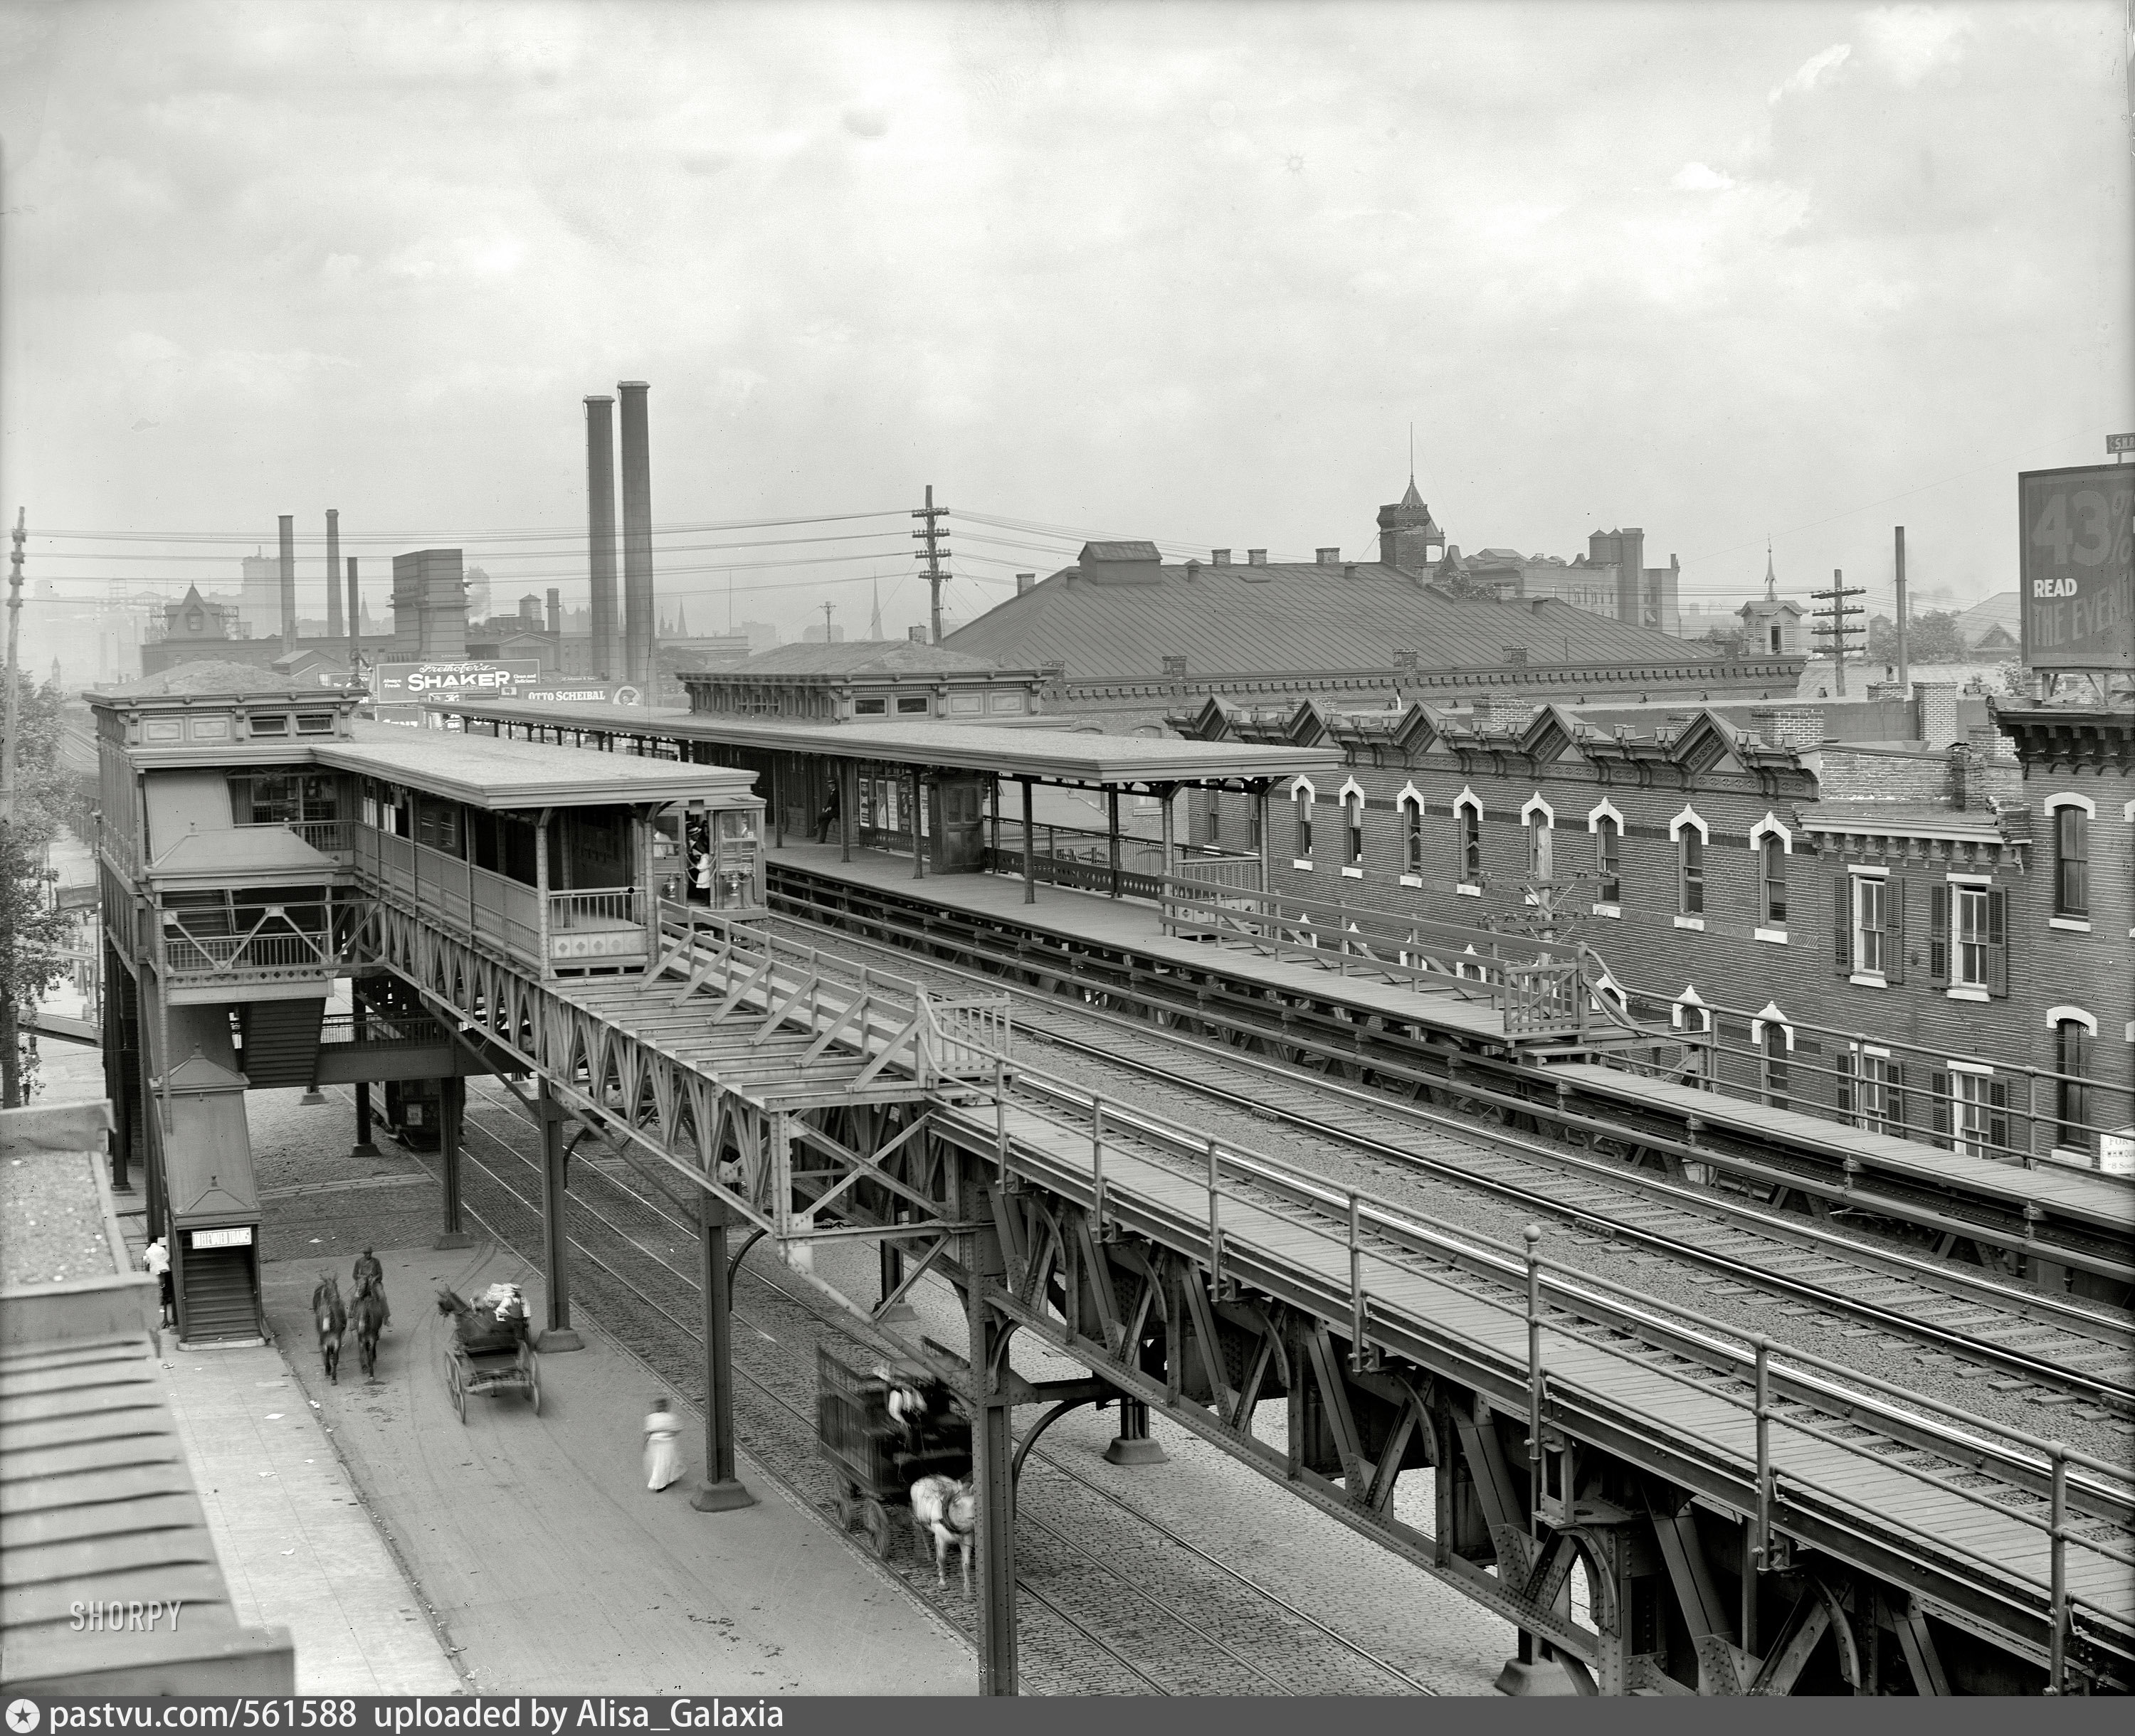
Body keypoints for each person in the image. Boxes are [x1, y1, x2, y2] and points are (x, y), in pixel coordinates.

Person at [644, 1394, 685, 1492]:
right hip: (665, 1442)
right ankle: (660, 1484)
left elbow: (648, 1432)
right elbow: (677, 1430)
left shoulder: (651, 1417)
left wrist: (645, 1443)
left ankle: (669, 1478)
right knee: (663, 1463)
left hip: (656, 1442)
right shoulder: (671, 1417)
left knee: (663, 1462)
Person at [352, 1247, 390, 1329]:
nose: (368, 1255)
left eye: (369, 1253)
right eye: (366, 1254)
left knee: (382, 1296)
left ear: (371, 1253)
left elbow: (380, 1274)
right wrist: (362, 1277)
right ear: (364, 1254)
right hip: (363, 1283)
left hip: (374, 1284)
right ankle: (352, 1319)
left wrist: (375, 1278)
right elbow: (354, 1275)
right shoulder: (359, 1262)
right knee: (355, 1297)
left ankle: (386, 1317)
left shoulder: (376, 1262)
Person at [144, 1235, 172, 1328]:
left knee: (157, 1284)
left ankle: (159, 1299)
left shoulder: (148, 1251)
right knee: (163, 1284)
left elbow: (147, 1262)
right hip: (163, 1268)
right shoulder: (161, 1249)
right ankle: (165, 1298)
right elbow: (167, 1258)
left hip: (154, 1269)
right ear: (156, 1240)